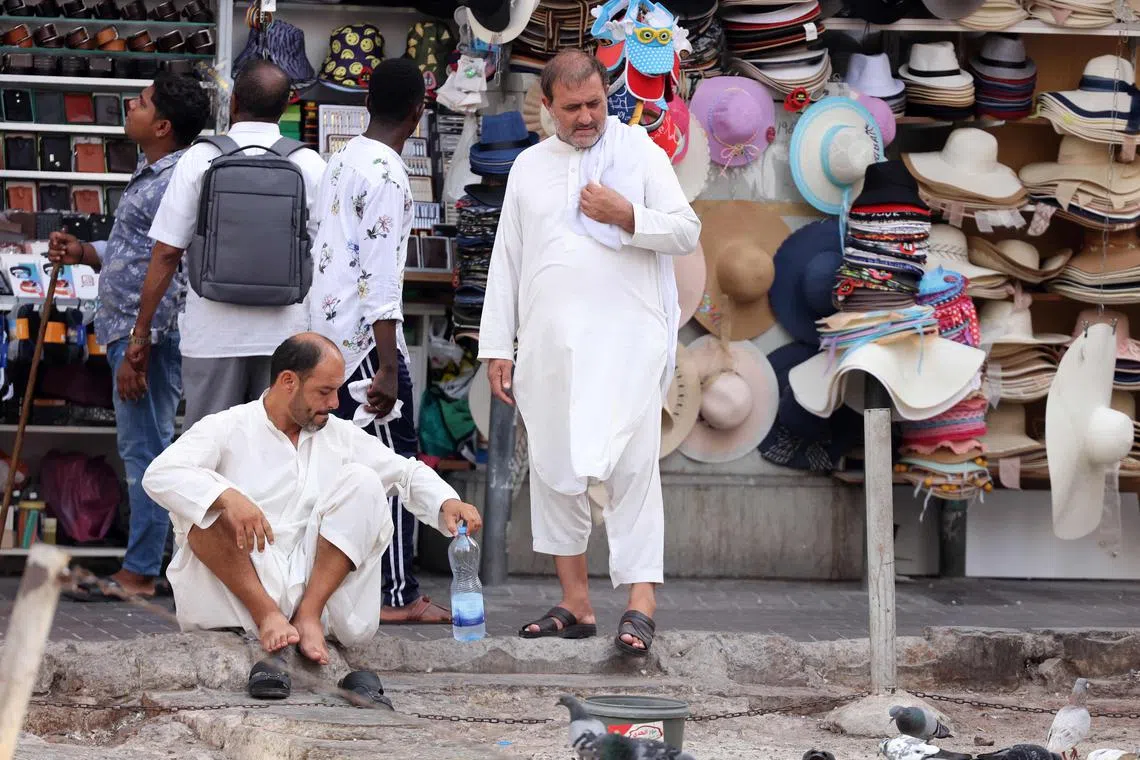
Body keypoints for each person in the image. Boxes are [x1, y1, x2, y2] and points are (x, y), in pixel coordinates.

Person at [478, 49, 701, 657]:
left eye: (595, 104)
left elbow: (686, 231)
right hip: (550, 350)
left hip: (628, 345)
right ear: (546, 107)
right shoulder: (529, 167)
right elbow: (509, 259)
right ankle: (575, 604)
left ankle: (640, 603)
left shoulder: (640, 154)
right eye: (571, 108)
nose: (585, 118)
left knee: (633, 470)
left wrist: (627, 215)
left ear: (608, 98)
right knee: (555, 471)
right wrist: (499, 344)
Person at [141, 333, 482, 698]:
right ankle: (267, 614)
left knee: (365, 482)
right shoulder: (227, 426)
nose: (335, 403)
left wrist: (447, 501)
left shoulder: (339, 435)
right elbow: (159, 474)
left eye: (337, 391)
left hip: (319, 589)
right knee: (199, 502)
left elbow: (404, 473)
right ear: (288, 381)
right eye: (324, 391)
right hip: (243, 589)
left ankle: (307, 615)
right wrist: (227, 497)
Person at [49, 73, 211, 601]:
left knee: (146, 451)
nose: (130, 106)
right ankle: (146, 562)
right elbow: (136, 253)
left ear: (162, 125)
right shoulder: (154, 169)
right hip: (132, 331)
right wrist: (85, 252)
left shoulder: (170, 179)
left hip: (146, 336)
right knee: (144, 446)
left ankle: (141, 570)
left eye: (141, 103)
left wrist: (140, 345)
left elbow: (167, 268)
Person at [308, 58, 448, 625]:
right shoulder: (391, 174)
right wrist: (390, 369)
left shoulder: (339, 160)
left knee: (339, 470)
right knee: (393, 468)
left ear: (368, 102)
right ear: (418, 111)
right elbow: (381, 278)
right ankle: (396, 595)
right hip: (366, 346)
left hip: (328, 336)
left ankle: (349, 589)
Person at [126, 59, 326, 430]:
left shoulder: (200, 158)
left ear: (233, 103)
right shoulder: (310, 164)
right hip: (285, 339)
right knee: (276, 453)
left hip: (211, 337)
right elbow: (325, 256)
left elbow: (167, 252)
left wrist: (141, 332)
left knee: (209, 454)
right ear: (285, 107)